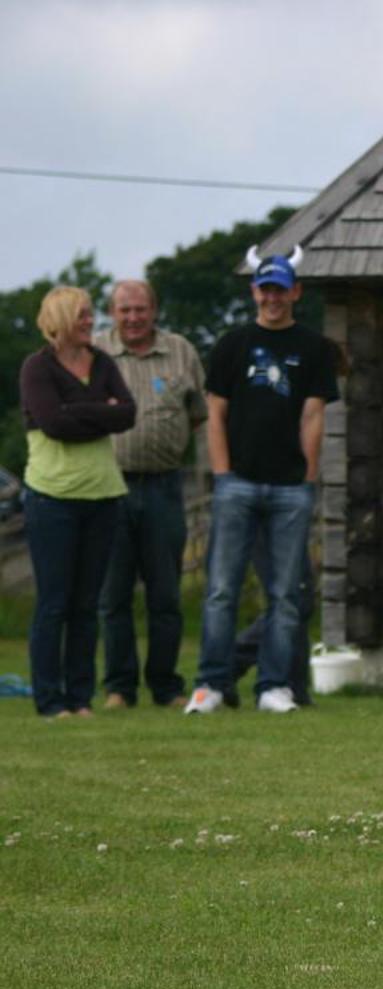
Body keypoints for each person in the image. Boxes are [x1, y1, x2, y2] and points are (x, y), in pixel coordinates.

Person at [187, 249, 340, 715]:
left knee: (286, 593)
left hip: (290, 487)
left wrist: (308, 476)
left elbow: (313, 414)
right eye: (265, 288)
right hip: (238, 484)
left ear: (295, 291)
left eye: (281, 289)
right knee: (220, 588)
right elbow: (215, 413)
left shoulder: (314, 348)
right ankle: (210, 685)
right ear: (255, 292)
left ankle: (274, 686)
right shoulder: (232, 344)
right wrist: (223, 472)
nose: (272, 297)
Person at [17, 286, 134, 718]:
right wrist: (100, 410)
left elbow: (128, 413)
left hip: (103, 495)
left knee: (86, 605)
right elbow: (52, 423)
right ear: (63, 318)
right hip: (52, 498)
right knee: (54, 603)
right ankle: (50, 701)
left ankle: (80, 697)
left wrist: (80, 410)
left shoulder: (103, 362)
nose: (91, 321)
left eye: (91, 314)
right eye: (83, 315)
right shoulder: (37, 368)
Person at [98, 279, 205, 709]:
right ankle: (119, 688)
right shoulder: (95, 353)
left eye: (141, 309)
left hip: (163, 486)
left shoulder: (181, 351)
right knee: (113, 595)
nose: (133, 318)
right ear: (113, 313)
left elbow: (197, 416)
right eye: (125, 310)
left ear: (154, 310)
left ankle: (166, 686)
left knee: (165, 594)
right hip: (108, 485)